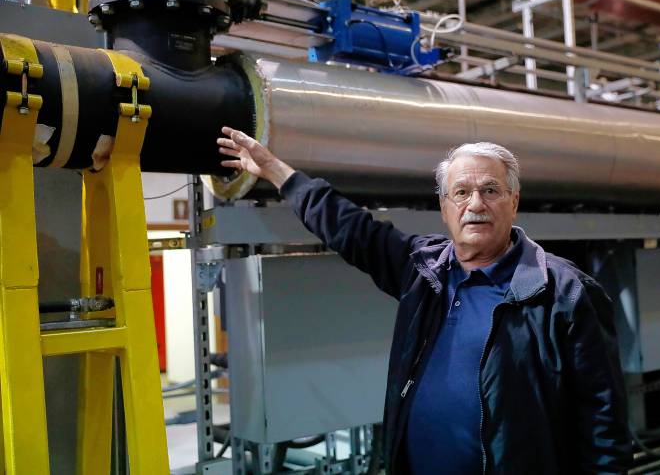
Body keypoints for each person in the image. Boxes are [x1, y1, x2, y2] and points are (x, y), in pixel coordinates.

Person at [217, 127, 632, 474]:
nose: (475, 204)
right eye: (461, 192)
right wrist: (276, 171)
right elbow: (349, 228)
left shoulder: (564, 293)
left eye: (491, 190)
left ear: (514, 201)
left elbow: (603, 425)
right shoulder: (422, 270)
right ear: (444, 207)